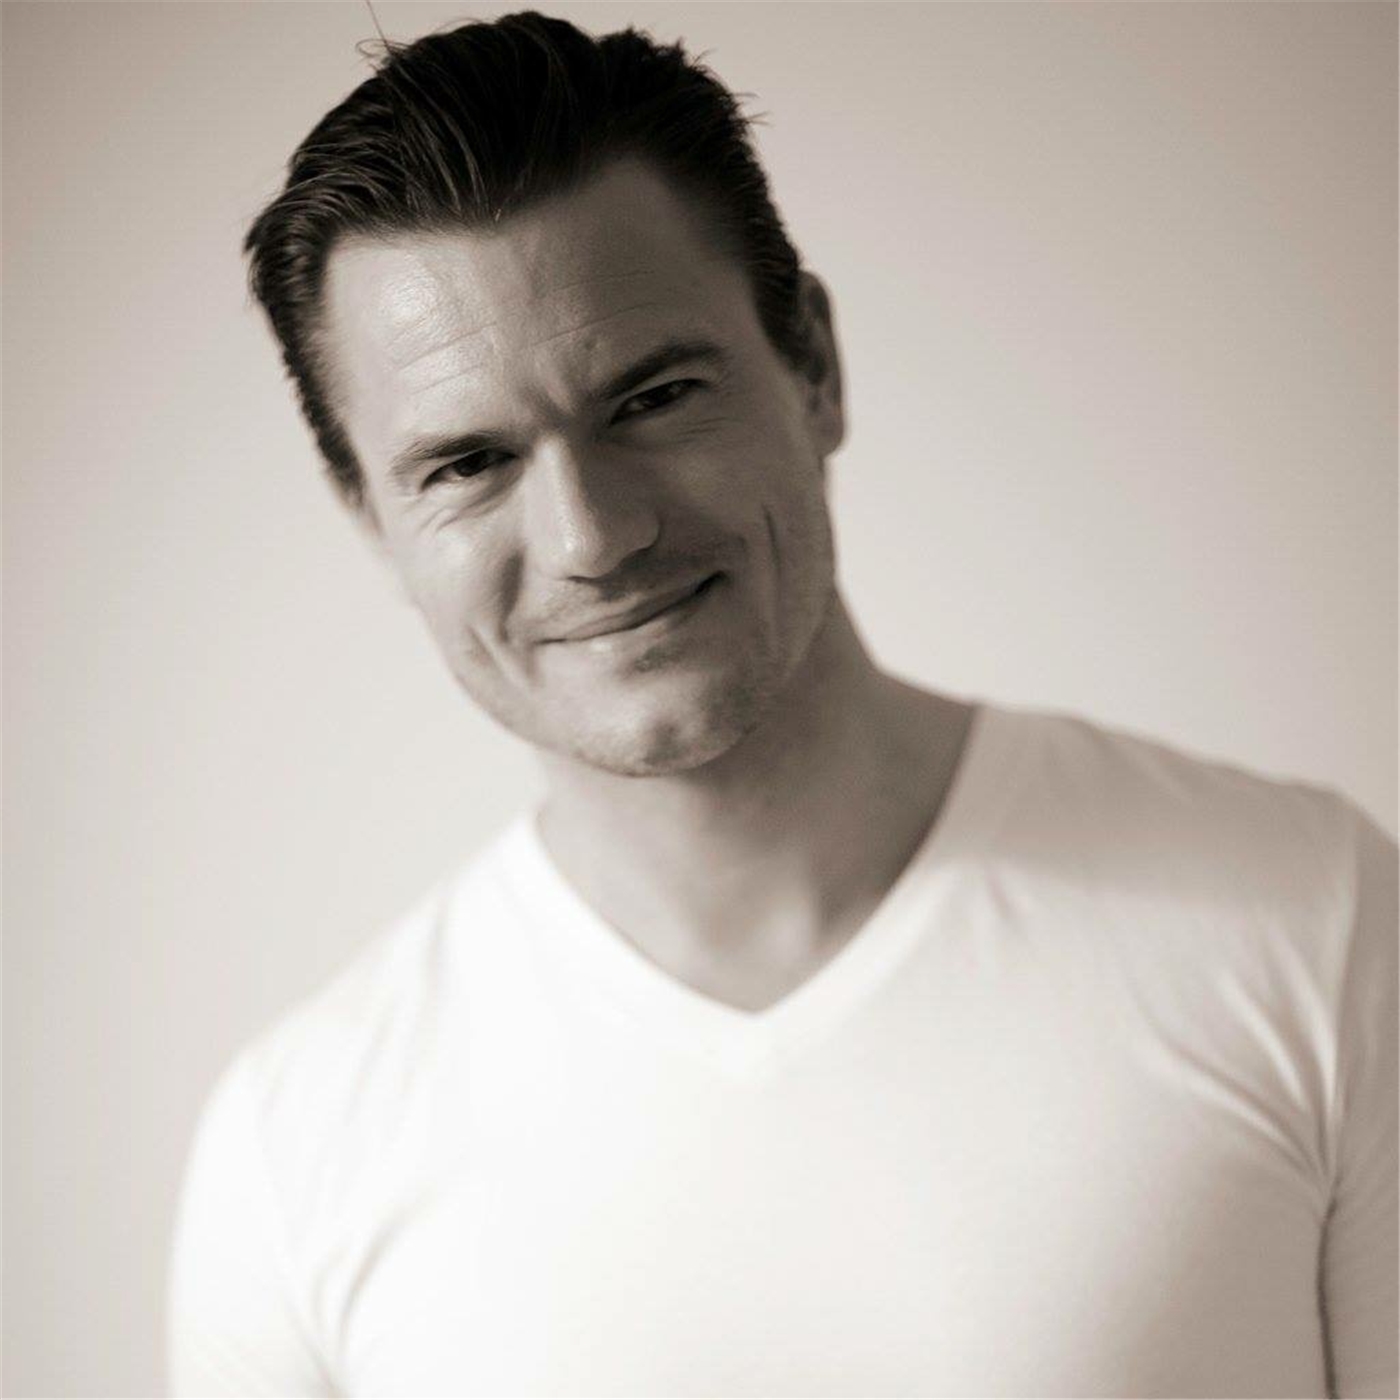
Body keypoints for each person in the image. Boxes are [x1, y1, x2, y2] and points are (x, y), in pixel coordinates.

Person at [167, 11, 1397, 1397]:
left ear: (813, 365)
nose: (590, 536)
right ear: (369, 519)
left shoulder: (1312, 924)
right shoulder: (294, 1156)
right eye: (467, 465)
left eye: (653, 397)